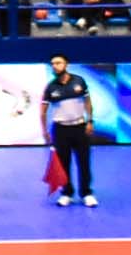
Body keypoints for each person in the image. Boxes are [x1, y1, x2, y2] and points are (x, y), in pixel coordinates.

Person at [41, 54, 98, 209]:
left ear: (66, 64)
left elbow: (87, 102)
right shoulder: (51, 87)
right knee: (63, 164)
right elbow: (43, 111)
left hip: (79, 127)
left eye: (58, 63)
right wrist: (45, 131)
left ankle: (86, 193)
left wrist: (90, 120)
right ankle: (67, 194)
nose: (55, 66)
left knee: (84, 162)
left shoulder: (79, 81)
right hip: (61, 130)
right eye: (53, 63)